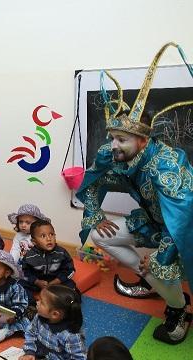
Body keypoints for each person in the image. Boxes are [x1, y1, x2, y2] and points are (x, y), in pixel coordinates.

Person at [76, 42, 193, 344]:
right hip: (154, 224)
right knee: (100, 235)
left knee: (162, 265)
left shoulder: (165, 168)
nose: (113, 145)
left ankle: (179, 309)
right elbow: (93, 182)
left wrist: (158, 257)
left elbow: (183, 220)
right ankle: (151, 282)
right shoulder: (112, 154)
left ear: (142, 141)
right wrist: (96, 213)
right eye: (112, 137)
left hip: (183, 231)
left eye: (122, 139)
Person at [19, 285, 86, 360]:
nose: (37, 302)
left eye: (42, 302)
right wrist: (30, 352)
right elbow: (31, 333)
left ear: (55, 314)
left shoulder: (70, 336)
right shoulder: (39, 317)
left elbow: (79, 358)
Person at [21, 220, 76, 307]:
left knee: (71, 285)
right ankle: (31, 306)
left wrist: (56, 281)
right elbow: (23, 272)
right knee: (20, 284)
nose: (49, 238)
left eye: (51, 234)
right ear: (34, 241)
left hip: (56, 282)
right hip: (38, 283)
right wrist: (36, 281)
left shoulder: (61, 253)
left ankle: (69, 306)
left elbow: (70, 270)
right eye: (43, 236)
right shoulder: (29, 256)